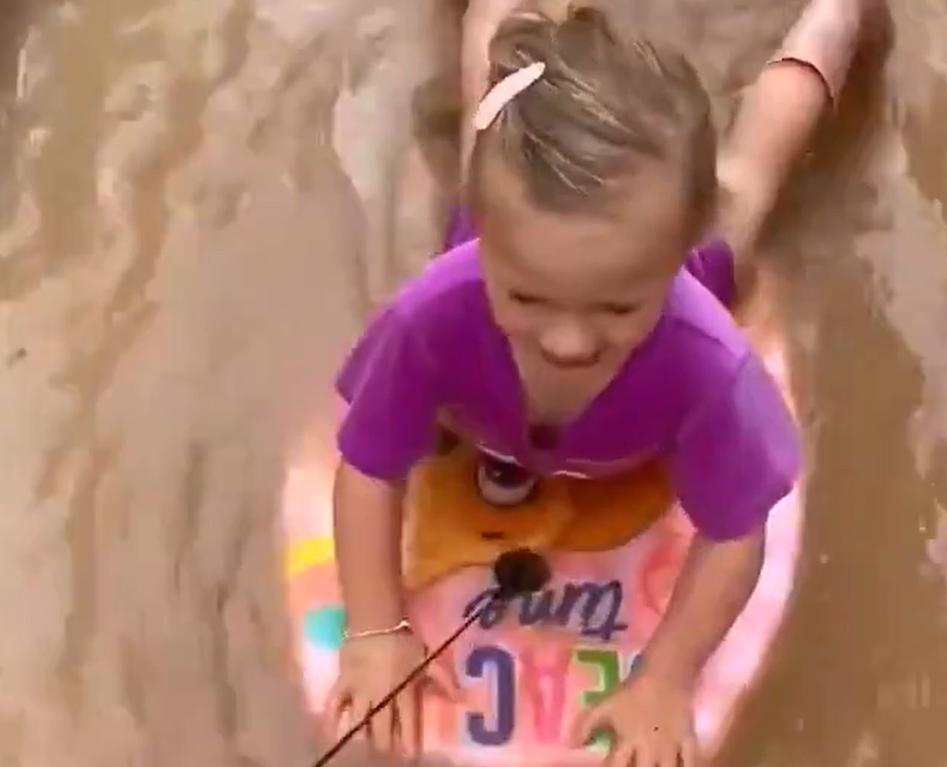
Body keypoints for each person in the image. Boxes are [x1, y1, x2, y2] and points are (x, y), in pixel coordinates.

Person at [329, 1, 879, 765]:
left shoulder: (705, 360)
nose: (567, 340)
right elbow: (366, 465)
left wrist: (664, 679)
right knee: (485, 123)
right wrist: (373, 626)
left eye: (618, 306)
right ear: (487, 254)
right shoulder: (430, 316)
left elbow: (733, 533)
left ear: (667, 264)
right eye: (526, 301)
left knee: (747, 181)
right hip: (500, 245)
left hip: (683, 259)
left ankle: (832, 20)